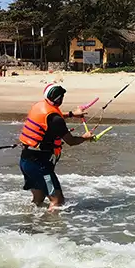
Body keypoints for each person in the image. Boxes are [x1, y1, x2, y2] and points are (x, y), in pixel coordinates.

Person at [18, 83, 94, 211]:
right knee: (57, 200)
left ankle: (33, 224)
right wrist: (85, 138)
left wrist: (71, 114)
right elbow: (71, 141)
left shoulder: (39, 106)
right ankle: (52, 230)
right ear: (60, 99)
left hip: (26, 161)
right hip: (40, 165)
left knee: (39, 198)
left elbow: (51, 116)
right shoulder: (56, 120)